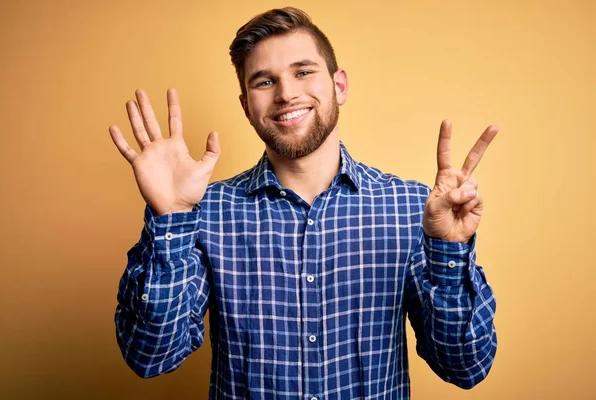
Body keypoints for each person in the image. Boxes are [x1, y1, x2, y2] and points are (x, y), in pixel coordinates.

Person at [110, 7, 498, 400]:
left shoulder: (413, 208)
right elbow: (150, 356)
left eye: (303, 72)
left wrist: (448, 251)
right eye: (264, 81)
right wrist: (171, 218)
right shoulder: (206, 212)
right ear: (247, 107)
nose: (286, 94)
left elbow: (466, 366)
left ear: (339, 85)